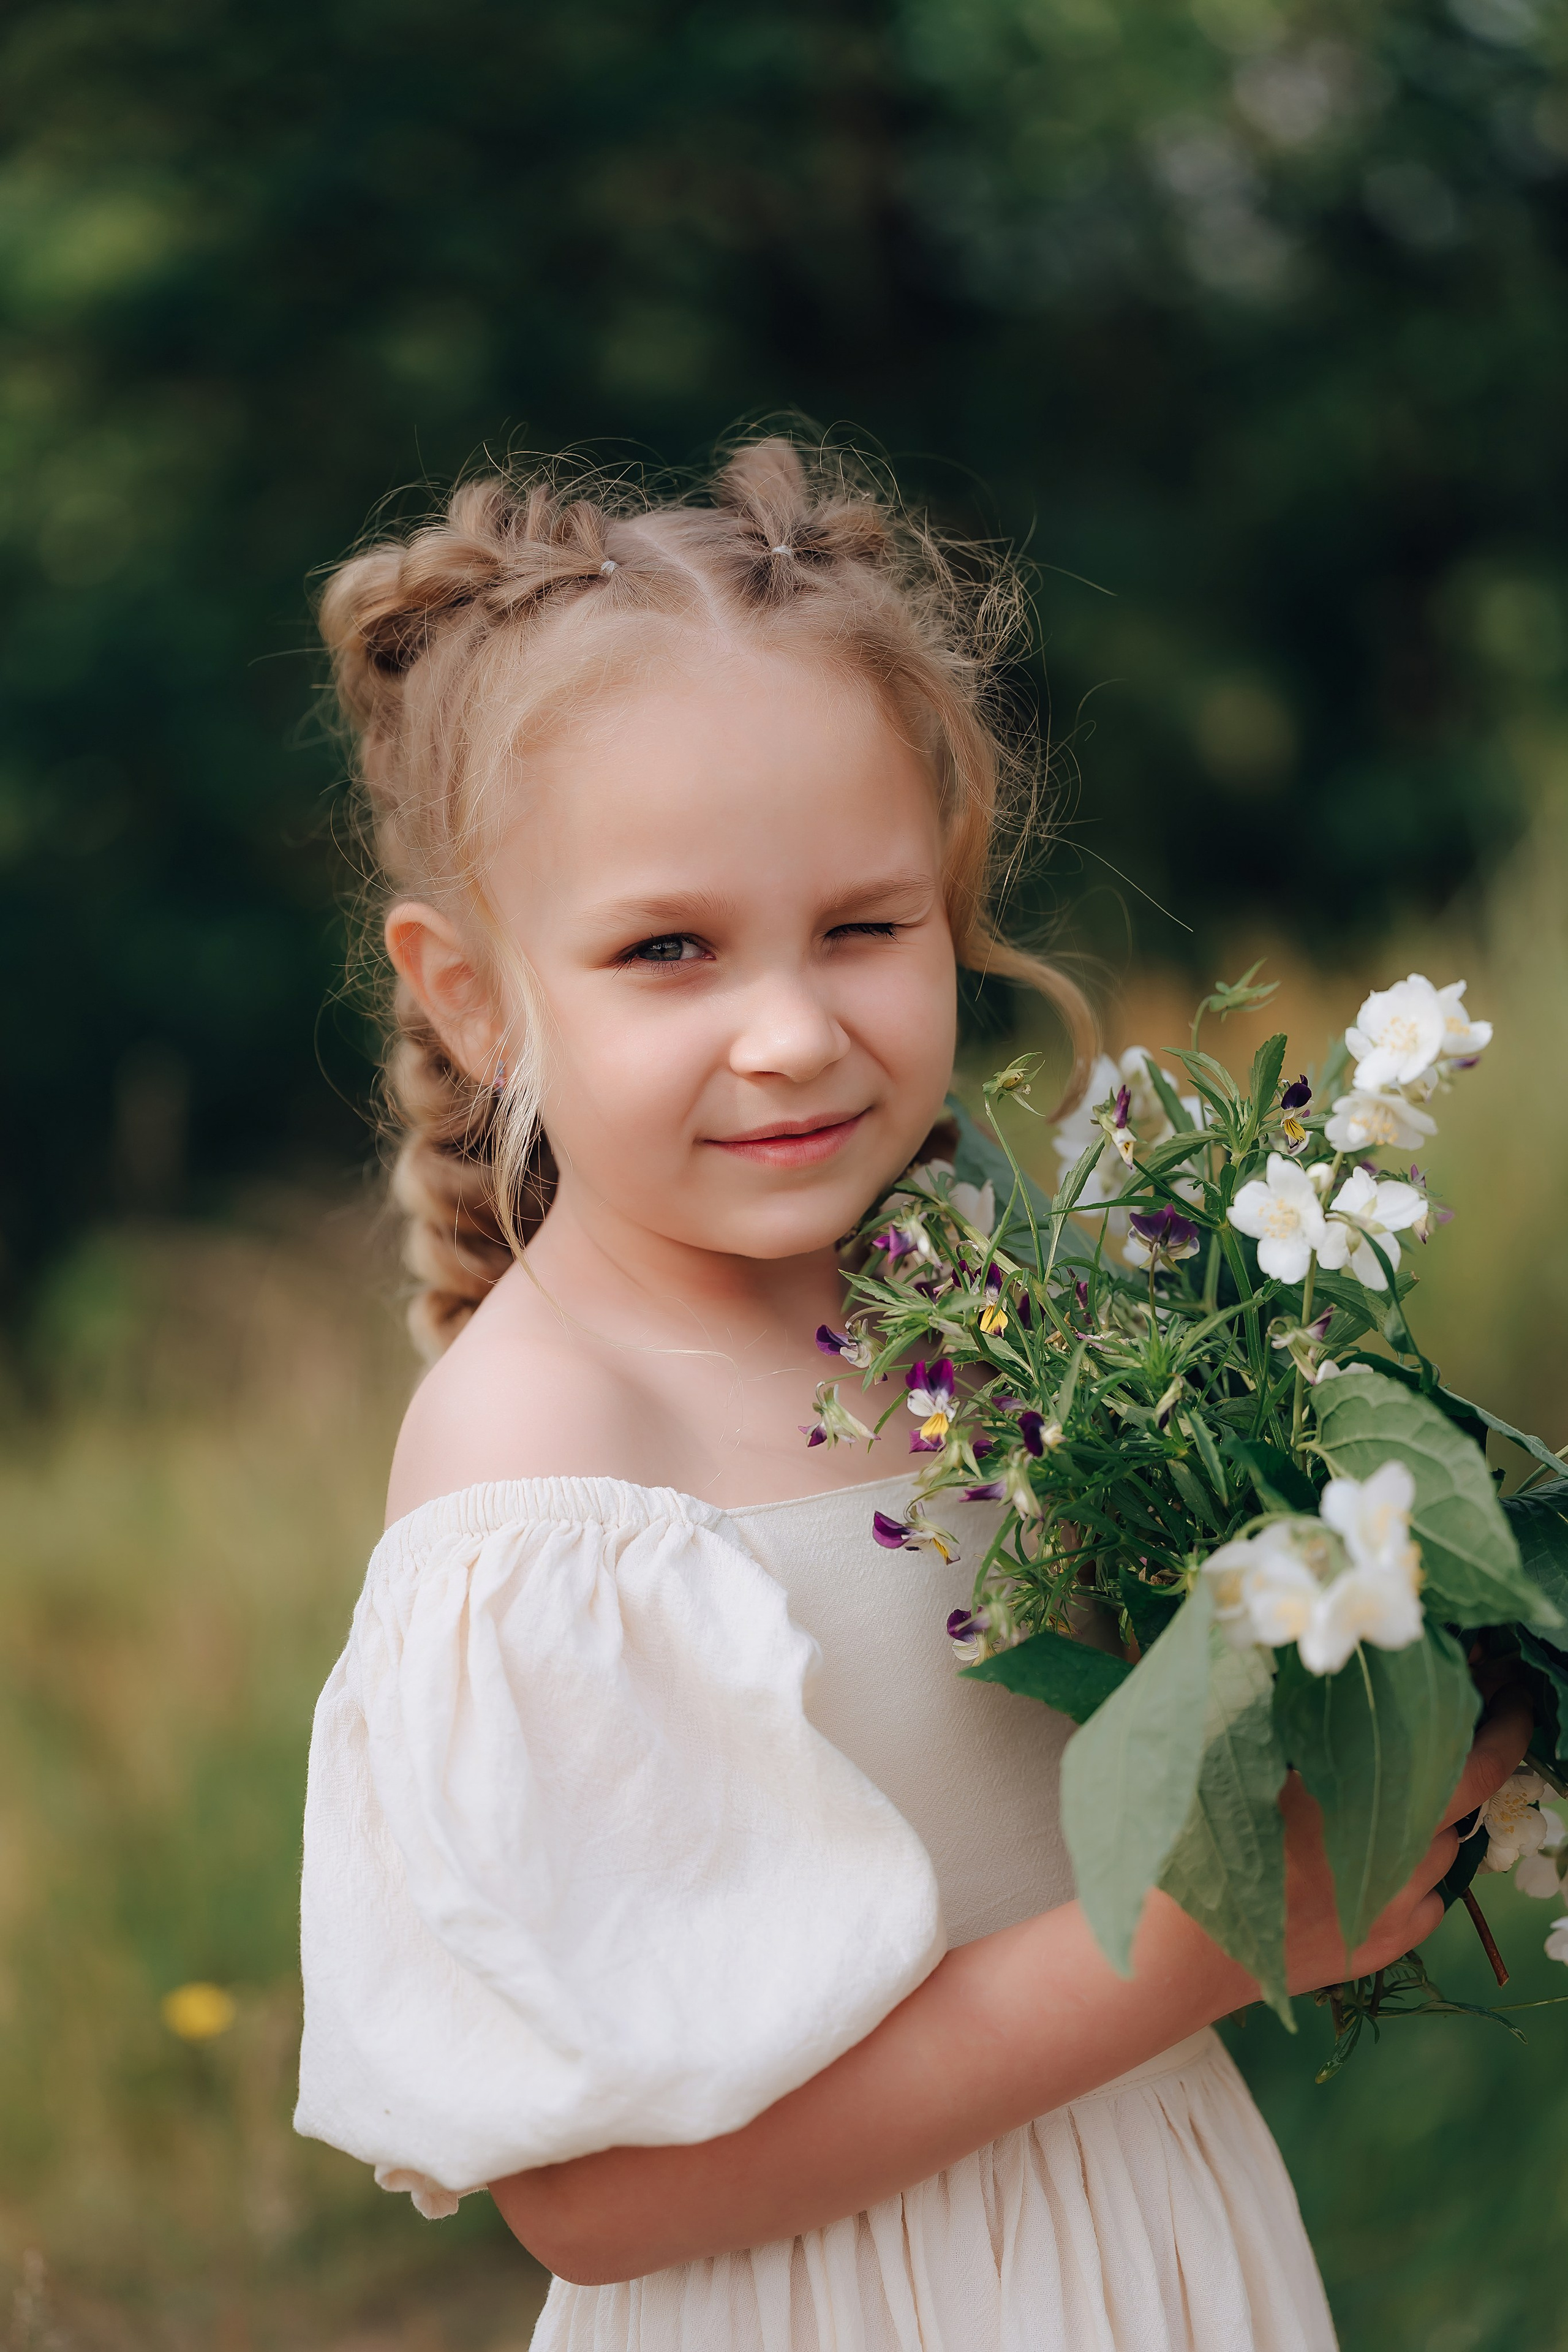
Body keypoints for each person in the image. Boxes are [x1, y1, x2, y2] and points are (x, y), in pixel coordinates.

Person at [293, 436, 1529, 2351]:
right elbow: (601, 2200)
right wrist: (1207, 1940)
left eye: (862, 927)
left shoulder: (997, 1315)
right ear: (472, 995)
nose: (790, 1033)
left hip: (1148, 2236)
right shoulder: (544, 1458)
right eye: (669, 951)